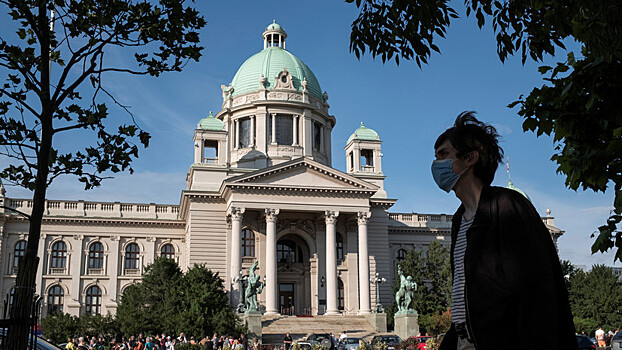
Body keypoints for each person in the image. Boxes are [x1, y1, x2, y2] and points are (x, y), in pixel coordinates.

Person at [433, 112, 578, 350]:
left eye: (443, 155)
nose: (436, 165)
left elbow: (537, 294)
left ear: (470, 158)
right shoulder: (460, 219)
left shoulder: (508, 206)